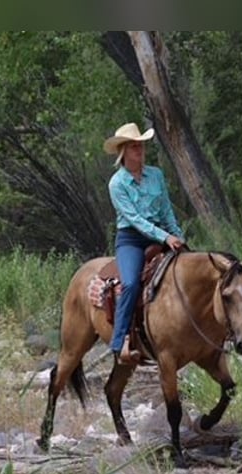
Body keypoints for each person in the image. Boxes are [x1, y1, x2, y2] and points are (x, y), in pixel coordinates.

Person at [103, 122, 186, 365]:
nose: (139, 150)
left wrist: (177, 235)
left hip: (161, 234)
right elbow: (135, 220)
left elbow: (166, 209)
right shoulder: (117, 184)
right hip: (131, 239)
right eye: (133, 146)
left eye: (140, 145)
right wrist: (165, 237)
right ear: (123, 152)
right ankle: (119, 342)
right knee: (129, 284)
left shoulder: (156, 175)